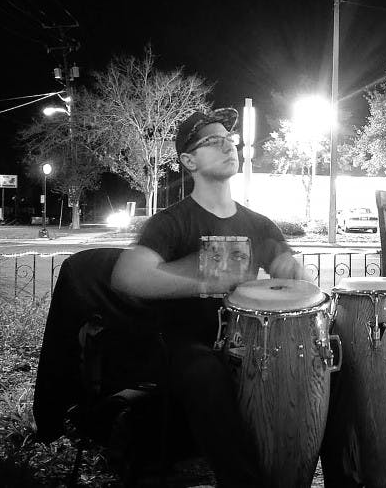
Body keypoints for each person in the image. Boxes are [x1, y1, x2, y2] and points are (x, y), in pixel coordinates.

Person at [111, 106, 307, 486]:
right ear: (188, 160)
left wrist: (292, 272)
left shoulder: (258, 224)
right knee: (205, 372)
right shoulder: (172, 222)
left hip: (252, 342)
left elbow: (286, 264)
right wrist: (204, 282)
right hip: (186, 343)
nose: (227, 146)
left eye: (228, 140)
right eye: (212, 142)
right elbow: (127, 275)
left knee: (330, 359)